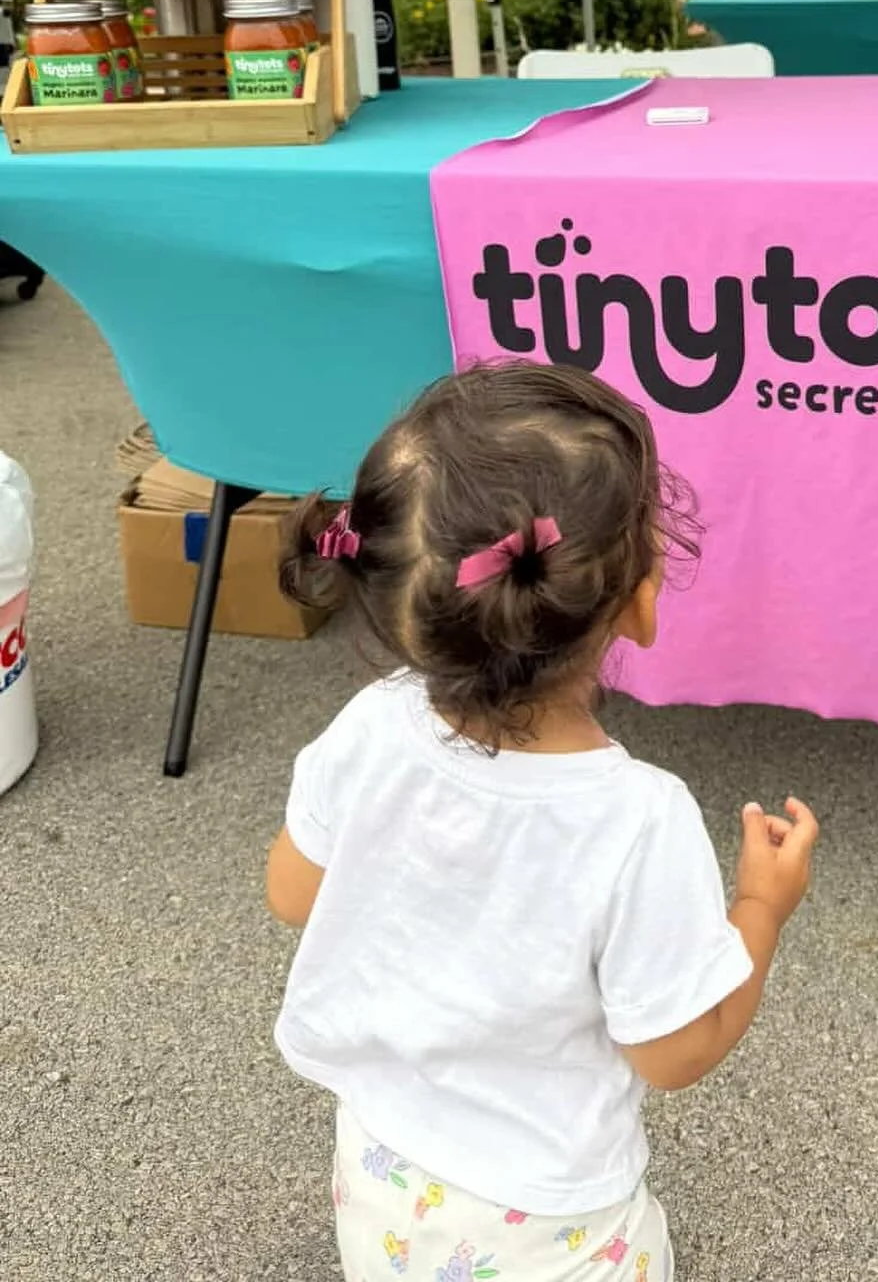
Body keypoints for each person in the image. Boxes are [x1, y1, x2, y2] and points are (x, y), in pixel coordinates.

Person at [265, 360, 818, 1282]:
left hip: (380, 1176)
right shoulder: (638, 819)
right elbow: (677, 1050)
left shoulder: (372, 724)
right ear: (637, 603)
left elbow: (291, 893)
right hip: (553, 1227)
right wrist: (761, 907)